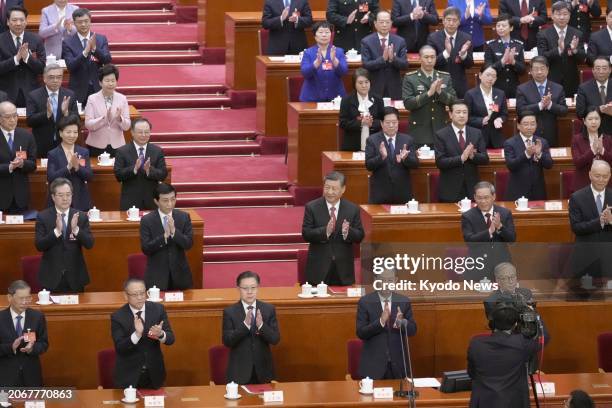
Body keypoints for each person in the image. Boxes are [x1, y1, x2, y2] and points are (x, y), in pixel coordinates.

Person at [467, 303, 540, 408]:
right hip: (514, 403)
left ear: (491, 322)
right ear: (515, 324)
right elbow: (544, 337)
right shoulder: (522, 343)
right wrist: (531, 314)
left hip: (483, 402)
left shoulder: (475, 343)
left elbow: (471, 374)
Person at [302, 171, 364, 285]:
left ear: (343, 189)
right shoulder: (312, 207)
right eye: (327, 188)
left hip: (343, 270)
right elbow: (306, 234)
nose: (330, 192)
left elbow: (360, 235)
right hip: (318, 269)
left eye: (334, 189)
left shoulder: (352, 209)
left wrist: (348, 232)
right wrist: (324, 231)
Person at [111, 278, 175, 389]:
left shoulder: (158, 309)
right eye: (135, 294)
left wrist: (160, 334)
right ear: (126, 296)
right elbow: (120, 347)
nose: (140, 297)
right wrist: (137, 334)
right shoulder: (118, 316)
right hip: (128, 376)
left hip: (154, 373)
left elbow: (170, 339)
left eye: (142, 293)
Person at [34, 177, 94, 293]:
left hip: (76, 276)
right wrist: (56, 231)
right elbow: (39, 245)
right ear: (53, 197)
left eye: (68, 194)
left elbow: (89, 244)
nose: (65, 199)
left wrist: (76, 229)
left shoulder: (80, 216)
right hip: (51, 277)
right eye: (60, 195)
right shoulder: (43, 217)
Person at [356, 268, 417, 379]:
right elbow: (361, 333)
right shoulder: (365, 302)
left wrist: (401, 322)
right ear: (376, 281)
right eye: (383, 280)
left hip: (398, 367)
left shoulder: (403, 301)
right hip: (373, 367)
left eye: (390, 280)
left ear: (395, 281)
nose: (386, 284)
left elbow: (413, 330)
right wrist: (381, 321)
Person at [222, 271, 280, 384]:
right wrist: (245, 326)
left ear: (258, 287)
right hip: (239, 373)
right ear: (238, 289)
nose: (249, 292)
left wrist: (262, 326)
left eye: (253, 287)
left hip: (264, 372)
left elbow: (275, 339)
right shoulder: (230, 312)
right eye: (245, 288)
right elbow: (227, 341)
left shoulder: (268, 309)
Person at [140, 183, 193, 291]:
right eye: (165, 200)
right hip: (156, 276)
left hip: (180, 275)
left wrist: (174, 232)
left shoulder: (184, 217)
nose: (170, 204)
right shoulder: (147, 220)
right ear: (156, 201)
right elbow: (146, 248)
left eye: (173, 199)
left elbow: (188, 244)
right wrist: (164, 237)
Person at [568, 160, 612, 289]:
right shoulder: (577, 198)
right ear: (590, 175)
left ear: (609, 176)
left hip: (609, 257)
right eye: (597, 176)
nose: (601, 180)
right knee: (585, 298)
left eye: (605, 176)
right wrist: (600, 221)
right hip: (586, 257)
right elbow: (576, 227)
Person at [435, 99, 489, 202]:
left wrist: (473, 156)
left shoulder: (476, 133)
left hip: (472, 188)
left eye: (465, 112)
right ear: (450, 114)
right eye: (458, 112)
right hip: (450, 190)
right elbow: (440, 162)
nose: (462, 115)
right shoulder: (441, 135)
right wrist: (461, 158)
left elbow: (485, 159)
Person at [402, 45, 456, 147]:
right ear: (420, 58)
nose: (430, 60)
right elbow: (408, 104)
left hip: (441, 129)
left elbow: (453, 101)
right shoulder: (410, 78)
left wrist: (440, 93)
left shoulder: (445, 77)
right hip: (420, 131)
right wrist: (428, 94)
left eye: (433, 57)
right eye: (426, 57)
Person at [461, 182, 516, 281]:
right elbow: (469, 242)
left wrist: (500, 226)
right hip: (478, 266)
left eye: (486, 197)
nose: (483, 201)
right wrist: (489, 231)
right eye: (479, 198)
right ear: (474, 197)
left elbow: (512, 239)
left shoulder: (505, 213)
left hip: (502, 266)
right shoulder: (468, 216)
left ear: (493, 196)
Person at [365, 106, 419, 204]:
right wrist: (381, 157)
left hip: (402, 194)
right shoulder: (372, 140)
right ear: (381, 123)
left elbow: (415, 164)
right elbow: (368, 165)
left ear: (398, 122)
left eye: (394, 122)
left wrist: (405, 159)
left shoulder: (407, 140)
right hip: (380, 194)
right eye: (387, 122)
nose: (391, 125)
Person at [0, 280, 48, 386]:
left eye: (28, 298)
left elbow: (44, 344)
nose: (25, 302)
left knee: (33, 401)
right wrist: (11, 347)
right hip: (5, 378)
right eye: (21, 298)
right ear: (9, 298)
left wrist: (32, 348)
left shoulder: (37, 317)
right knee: (4, 403)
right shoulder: (1, 318)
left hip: (31, 376)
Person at [114, 117, 168, 210]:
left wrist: (149, 170)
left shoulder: (157, 151)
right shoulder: (122, 151)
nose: (144, 135)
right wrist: (134, 169)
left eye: (147, 132)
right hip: (130, 201)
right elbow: (118, 175)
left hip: (152, 201)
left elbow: (163, 174)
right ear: (132, 133)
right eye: (140, 132)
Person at [26, 63, 78, 158]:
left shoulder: (70, 94)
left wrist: (66, 113)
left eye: (59, 77)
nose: (55, 80)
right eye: (51, 77)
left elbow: (77, 119)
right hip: (42, 144)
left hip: (64, 143)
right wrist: (47, 114)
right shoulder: (34, 96)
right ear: (44, 78)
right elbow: (29, 121)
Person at [62, 8, 112, 105]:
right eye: (80, 22)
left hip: (98, 87)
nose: (83, 24)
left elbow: (107, 60)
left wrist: (94, 49)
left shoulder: (101, 39)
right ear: (74, 23)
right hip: (78, 89)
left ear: (90, 21)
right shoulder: (67, 42)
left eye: (86, 21)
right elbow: (70, 66)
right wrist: (85, 52)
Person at [516, 56, 568, 147]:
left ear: (547, 70)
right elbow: (520, 110)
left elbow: (564, 110)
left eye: (542, 69)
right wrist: (540, 105)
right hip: (530, 134)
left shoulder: (558, 88)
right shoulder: (522, 89)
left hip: (551, 134)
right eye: (536, 69)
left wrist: (550, 105)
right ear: (531, 71)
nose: (539, 72)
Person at [536, 2, 585, 97]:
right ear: (552, 16)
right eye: (558, 14)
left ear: (570, 16)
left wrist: (575, 51)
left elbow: (583, 58)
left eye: (565, 14)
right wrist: (558, 50)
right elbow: (542, 57)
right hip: (551, 80)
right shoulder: (543, 34)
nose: (562, 17)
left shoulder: (577, 34)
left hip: (571, 80)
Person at [0, 6, 46, 107]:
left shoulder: (36, 39)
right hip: (6, 93)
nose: (18, 23)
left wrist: (27, 58)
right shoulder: (1, 40)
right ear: (8, 22)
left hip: (31, 92)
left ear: (26, 21)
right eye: (14, 20)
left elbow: (42, 68)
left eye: (21, 20)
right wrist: (16, 59)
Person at [503, 111, 553, 200]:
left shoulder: (542, 142)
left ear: (536, 125)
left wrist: (539, 154)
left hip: (538, 191)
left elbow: (549, 164)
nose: (529, 127)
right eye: (526, 124)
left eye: (532, 124)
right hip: (517, 191)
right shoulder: (510, 143)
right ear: (518, 125)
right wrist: (526, 154)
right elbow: (511, 165)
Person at [46, 114, 92, 211]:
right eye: (68, 132)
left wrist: (77, 168)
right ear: (61, 133)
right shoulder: (53, 153)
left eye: (75, 132)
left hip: (79, 200)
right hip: (58, 202)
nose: (72, 135)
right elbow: (51, 177)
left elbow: (89, 176)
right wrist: (68, 167)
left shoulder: (83, 152)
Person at [84, 64, 130, 158]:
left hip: (117, 145)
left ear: (116, 82)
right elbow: (88, 124)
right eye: (107, 80)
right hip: (96, 145)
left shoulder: (122, 99)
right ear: (100, 82)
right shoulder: (92, 99)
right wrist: (104, 119)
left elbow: (127, 126)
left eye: (113, 81)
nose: (110, 83)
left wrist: (119, 119)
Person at [360, 10, 408, 100]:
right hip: (374, 87)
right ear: (375, 23)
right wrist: (382, 59)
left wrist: (393, 58)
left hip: (394, 88)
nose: (384, 25)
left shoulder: (400, 41)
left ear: (391, 23)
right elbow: (365, 65)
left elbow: (405, 65)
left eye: (387, 22)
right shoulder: (366, 41)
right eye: (381, 22)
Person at [427, 7, 473, 98]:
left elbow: (470, 64)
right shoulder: (433, 38)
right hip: (439, 85)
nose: (451, 23)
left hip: (460, 86)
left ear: (459, 22)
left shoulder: (466, 38)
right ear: (443, 21)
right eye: (448, 20)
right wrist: (446, 53)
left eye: (454, 20)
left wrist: (463, 54)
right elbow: (431, 63)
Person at [0, 101, 36, 213]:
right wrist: (10, 167)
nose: (12, 120)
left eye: (15, 115)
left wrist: (22, 164)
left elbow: (33, 164)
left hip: (21, 197)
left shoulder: (26, 136)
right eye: (8, 117)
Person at [299, 21, 348, 102]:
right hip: (312, 98)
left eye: (327, 32)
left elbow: (344, 72)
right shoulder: (308, 52)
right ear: (315, 35)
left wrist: (334, 60)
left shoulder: (338, 51)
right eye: (321, 32)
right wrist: (316, 64)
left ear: (331, 35)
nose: (324, 35)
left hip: (336, 98)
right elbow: (305, 73)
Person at [338, 68, 385, 151]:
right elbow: (343, 123)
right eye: (360, 83)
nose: (364, 85)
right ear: (354, 84)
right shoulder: (347, 100)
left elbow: (382, 121)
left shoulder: (378, 99)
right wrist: (361, 123)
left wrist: (371, 124)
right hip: (352, 146)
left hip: (374, 146)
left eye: (366, 82)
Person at [464, 64, 508, 148]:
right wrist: (481, 121)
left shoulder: (500, 93)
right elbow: (466, 118)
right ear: (480, 75)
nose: (490, 78)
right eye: (488, 75)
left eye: (494, 76)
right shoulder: (470, 94)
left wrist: (500, 119)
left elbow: (504, 114)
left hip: (496, 138)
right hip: (477, 137)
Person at [484, 14, 526, 98]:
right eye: (498, 25)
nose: (500, 28)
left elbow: (523, 70)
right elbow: (487, 68)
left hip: (513, 88)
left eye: (503, 25)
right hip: (496, 88)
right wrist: (502, 62)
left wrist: (513, 62)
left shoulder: (518, 45)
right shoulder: (490, 45)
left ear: (511, 28)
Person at [572, 108, 612, 191]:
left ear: (600, 120)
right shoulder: (577, 139)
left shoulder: (608, 139)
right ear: (584, 121)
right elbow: (577, 163)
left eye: (597, 119)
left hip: (605, 185)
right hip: (583, 184)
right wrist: (592, 151)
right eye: (590, 119)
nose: (594, 122)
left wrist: (602, 151)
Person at [576, 57, 612, 135]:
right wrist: (599, 109)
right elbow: (580, 113)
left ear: (610, 70)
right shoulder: (583, 88)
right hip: (592, 134)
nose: (601, 72)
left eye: (604, 68)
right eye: (598, 68)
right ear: (593, 70)